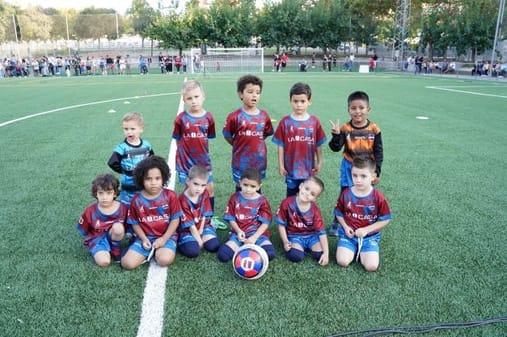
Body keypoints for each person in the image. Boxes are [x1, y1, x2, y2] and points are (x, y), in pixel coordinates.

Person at [328, 91, 383, 235]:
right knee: (345, 195)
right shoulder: (345, 129)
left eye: (361, 108)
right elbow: (335, 148)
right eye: (353, 108)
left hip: (366, 169)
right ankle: (337, 222)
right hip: (348, 166)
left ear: (368, 110)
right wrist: (336, 135)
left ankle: (364, 221)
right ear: (348, 110)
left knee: (364, 195)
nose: (357, 111)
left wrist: (376, 171)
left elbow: (378, 152)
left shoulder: (374, 129)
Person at [121, 156, 183, 270]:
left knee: (164, 260)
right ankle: (142, 250)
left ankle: (161, 251)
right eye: (148, 179)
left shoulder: (170, 196)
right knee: (127, 264)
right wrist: (144, 239)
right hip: (145, 238)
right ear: (141, 180)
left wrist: (163, 239)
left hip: (166, 237)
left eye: (157, 178)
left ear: (163, 178)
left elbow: (175, 219)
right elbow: (134, 223)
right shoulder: (136, 200)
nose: (153, 183)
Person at [333, 156, 392, 271]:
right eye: (354, 175)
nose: (358, 180)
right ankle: (352, 249)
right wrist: (345, 227)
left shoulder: (378, 197)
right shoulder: (346, 194)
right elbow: (339, 213)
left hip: (369, 237)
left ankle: (365, 250)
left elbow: (385, 219)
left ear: (373, 177)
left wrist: (366, 230)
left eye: (363, 176)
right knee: (342, 261)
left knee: (371, 266)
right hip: (348, 236)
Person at [272, 82, 327, 197]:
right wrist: (281, 165)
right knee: (291, 196)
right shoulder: (285, 122)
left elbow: (318, 144)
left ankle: (304, 215)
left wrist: (320, 161)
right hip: (291, 169)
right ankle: (289, 214)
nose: (299, 105)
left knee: (307, 196)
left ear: (309, 102)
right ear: (290, 101)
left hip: (308, 169)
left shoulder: (314, 122)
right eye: (295, 101)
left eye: (303, 101)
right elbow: (280, 145)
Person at [222, 75, 274, 190]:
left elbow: (265, 133)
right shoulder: (234, 116)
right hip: (240, 160)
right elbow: (227, 135)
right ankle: (238, 206)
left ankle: (257, 206)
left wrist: (255, 141)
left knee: (256, 186)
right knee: (240, 186)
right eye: (250, 92)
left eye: (258, 92)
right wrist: (239, 143)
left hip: (259, 160)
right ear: (241, 94)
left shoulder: (264, 116)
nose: (254, 95)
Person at [171, 80, 216, 210]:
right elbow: (177, 139)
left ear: (203, 96)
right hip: (186, 162)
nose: (194, 101)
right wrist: (183, 156)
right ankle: (189, 215)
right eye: (189, 98)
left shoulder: (209, 117)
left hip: (203, 161)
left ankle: (209, 218)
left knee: (209, 188)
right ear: (184, 100)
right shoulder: (181, 119)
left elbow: (208, 137)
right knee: (189, 190)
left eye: (196, 97)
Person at [216, 168, 275, 262]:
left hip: (257, 234)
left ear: (259, 186)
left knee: (269, 254)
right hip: (238, 234)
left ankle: (248, 246)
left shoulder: (262, 201)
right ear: (240, 183)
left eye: (252, 186)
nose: (248, 189)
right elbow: (231, 218)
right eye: (245, 185)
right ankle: (244, 246)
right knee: (223, 255)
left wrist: (254, 237)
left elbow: (265, 222)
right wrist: (238, 231)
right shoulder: (234, 197)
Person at [275, 176, 329, 266]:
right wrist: (285, 241)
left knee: (320, 254)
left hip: (311, 236)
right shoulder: (287, 203)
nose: (307, 194)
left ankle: (308, 247)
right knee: (295, 255)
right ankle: (301, 248)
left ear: (315, 198)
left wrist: (326, 254)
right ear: (301, 186)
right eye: (306, 189)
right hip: (295, 235)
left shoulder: (315, 210)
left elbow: (321, 232)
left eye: (312, 194)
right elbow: (281, 225)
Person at [76, 174, 127, 267]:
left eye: (108, 193)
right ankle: (102, 250)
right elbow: (84, 231)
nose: (104, 197)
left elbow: (127, 226)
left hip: (113, 234)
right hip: (98, 239)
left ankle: (115, 250)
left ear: (115, 193)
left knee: (118, 227)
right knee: (104, 262)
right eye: (101, 193)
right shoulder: (90, 211)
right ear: (96, 193)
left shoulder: (122, 208)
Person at [108, 111, 154, 208]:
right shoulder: (122, 148)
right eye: (126, 129)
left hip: (144, 183)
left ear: (141, 129)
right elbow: (112, 162)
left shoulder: (146, 145)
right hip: (128, 186)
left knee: (144, 205)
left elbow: (152, 160)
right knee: (127, 207)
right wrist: (124, 171)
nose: (129, 132)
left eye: (133, 129)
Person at [177, 165, 220, 258]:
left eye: (203, 185)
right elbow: (190, 225)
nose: (199, 189)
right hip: (187, 230)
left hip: (202, 225)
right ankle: (180, 242)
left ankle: (204, 235)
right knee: (193, 251)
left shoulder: (205, 193)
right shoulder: (182, 199)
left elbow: (205, 214)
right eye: (196, 184)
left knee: (214, 246)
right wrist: (199, 239)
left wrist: (201, 230)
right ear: (188, 181)